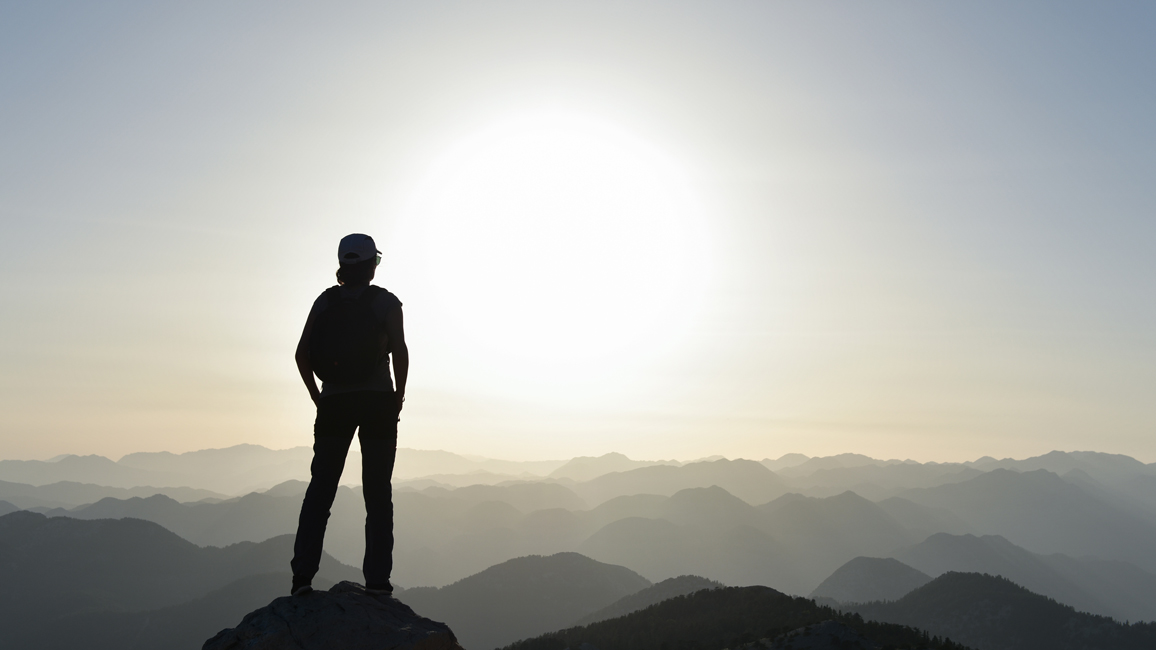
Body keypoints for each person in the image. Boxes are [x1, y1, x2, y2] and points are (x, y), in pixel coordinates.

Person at [290, 233, 408, 596]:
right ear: (372, 264)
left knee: (320, 492)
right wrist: (397, 398)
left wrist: (319, 399)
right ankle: (377, 584)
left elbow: (301, 355)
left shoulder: (325, 302)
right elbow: (400, 352)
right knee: (377, 494)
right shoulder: (386, 302)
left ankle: (302, 581)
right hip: (377, 404)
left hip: (334, 406)